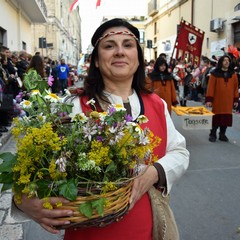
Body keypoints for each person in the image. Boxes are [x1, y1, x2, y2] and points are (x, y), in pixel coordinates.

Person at [12, 18, 189, 240]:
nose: (119, 52)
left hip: (149, 230)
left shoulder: (157, 104)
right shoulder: (72, 105)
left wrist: (153, 173)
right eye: (109, 46)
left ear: (138, 57)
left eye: (127, 45)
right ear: (96, 60)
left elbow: (180, 152)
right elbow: (28, 164)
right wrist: (23, 201)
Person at [206, 55, 239, 142]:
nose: (226, 62)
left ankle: (222, 134)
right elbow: (210, 87)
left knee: (226, 118)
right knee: (216, 118)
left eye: (228, 60)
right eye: (224, 60)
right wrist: (209, 99)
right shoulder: (214, 74)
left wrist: (236, 99)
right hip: (217, 101)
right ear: (221, 62)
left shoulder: (233, 74)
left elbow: (236, 88)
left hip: (228, 101)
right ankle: (212, 134)